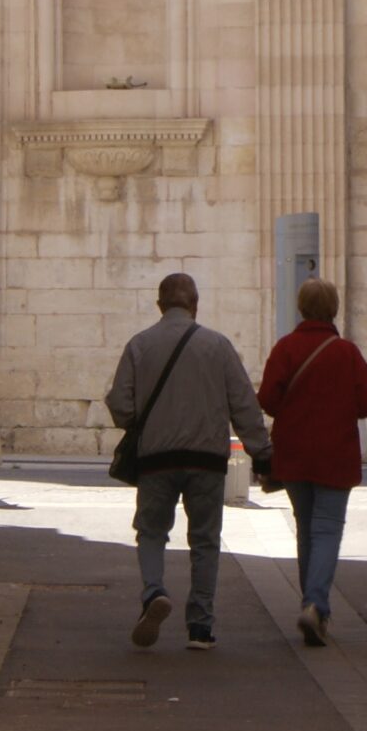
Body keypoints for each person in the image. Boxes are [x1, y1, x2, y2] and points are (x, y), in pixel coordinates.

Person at [106, 272, 269, 651]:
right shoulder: (219, 346)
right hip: (207, 460)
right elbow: (244, 404)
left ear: (160, 305)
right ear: (195, 304)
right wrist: (261, 452)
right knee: (205, 541)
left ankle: (153, 592)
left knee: (151, 531)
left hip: (156, 459)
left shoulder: (139, 346)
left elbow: (120, 406)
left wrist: (145, 418)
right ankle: (200, 626)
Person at [257, 278, 367, 647]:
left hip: (294, 456)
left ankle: (314, 606)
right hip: (335, 457)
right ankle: (316, 604)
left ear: (301, 307)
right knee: (326, 530)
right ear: (334, 308)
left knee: (306, 530)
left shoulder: (286, 348)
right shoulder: (347, 353)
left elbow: (267, 399)